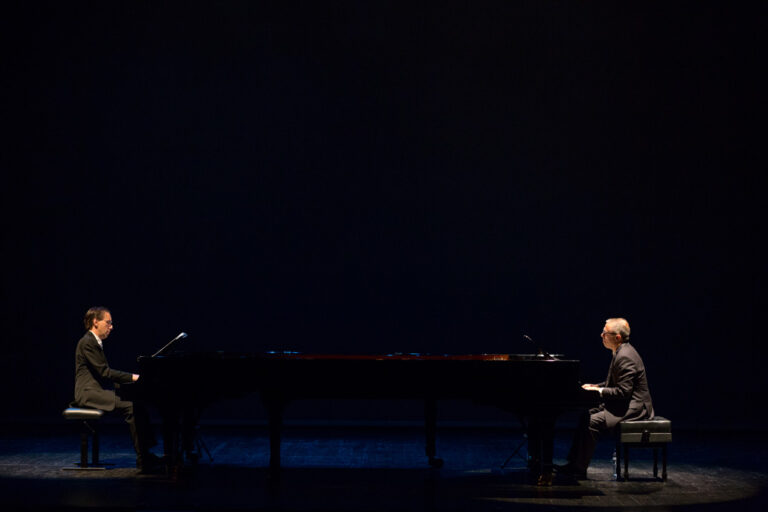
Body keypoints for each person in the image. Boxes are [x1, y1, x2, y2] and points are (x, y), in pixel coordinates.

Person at [558, 317, 654, 479]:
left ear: (617, 337)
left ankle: (579, 469)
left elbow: (623, 392)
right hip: (624, 403)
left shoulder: (625, 356)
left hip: (634, 408)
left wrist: (599, 391)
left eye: (605, 333)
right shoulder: (621, 351)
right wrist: (595, 386)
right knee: (586, 415)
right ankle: (573, 464)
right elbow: (615, 383)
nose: (601, 335)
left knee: (592, 421)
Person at [73, 306, 159, 473]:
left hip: (97, 391)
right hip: (88, 393)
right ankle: (143, 459)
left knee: (137, 403)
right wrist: (134, 377)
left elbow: (102, 374)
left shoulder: (94, 342)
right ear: (95, 322)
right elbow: (104, 372)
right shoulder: (87, 342)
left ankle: (147, 453)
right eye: (108, 322)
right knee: (131, 406)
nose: (111, 327)